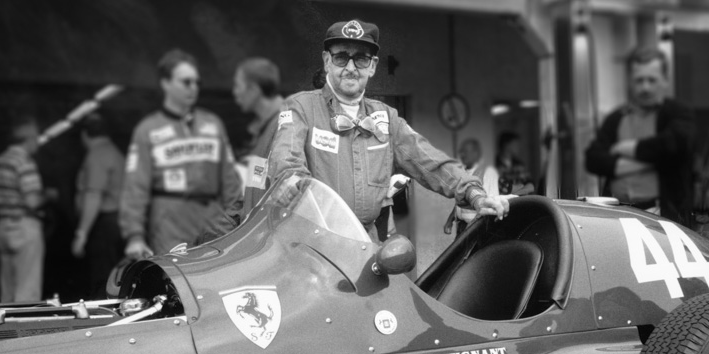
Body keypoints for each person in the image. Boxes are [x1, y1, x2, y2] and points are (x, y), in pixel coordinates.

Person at [268, 19, 508, 243]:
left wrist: (476, 194)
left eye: (361, 58)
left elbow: (432, 162)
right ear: (326, 61)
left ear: (372, 66)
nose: (351, 67)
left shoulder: (387, 118)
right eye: (341, 57)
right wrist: (307, 201)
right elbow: (286, 167)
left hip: (364, 246)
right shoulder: (299, 107)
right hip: (313, 245)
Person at [120, 48, 242, 259]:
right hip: (170, 220)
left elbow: (230, 180)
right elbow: (135, 187)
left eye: (197, 82)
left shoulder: (212, 124)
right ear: (166, 83)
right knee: (174, 284)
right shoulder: (148, 130)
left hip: (213, 220)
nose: (193, 88)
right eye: (186, 82)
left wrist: (238, 220)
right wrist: (134, 236)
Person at [585, 46, 695, 226]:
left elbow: (675, 145)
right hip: (617, 215)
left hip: (663, 214)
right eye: (639, 80)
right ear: (629, 81)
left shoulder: (678, 113)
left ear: (665, 80)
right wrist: (652, 161)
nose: (645, 87)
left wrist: (626, 149)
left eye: (652, 80)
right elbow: (593, 159)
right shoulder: (616, 117)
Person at [0, 115, 49, 302]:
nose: (38, 141)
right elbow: (32, 202)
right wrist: (49, 195)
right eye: (36, 136)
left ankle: (6, 330)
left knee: (8, 290)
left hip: (3, 227)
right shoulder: (25, 163)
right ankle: (24, 330)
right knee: (27, 292)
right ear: (28, 138)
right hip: (24, 227)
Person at [71, 113, 125, 298]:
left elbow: (94, 195)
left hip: (105, 226)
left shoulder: (97, 155)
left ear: (84, 135)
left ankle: (101, 314)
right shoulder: (114, 152)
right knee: (112, 275)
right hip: (117, 222)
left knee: (102, 276)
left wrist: (81, 233)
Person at [232, 57, 285, 216]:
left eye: (237, 85)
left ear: (254, 90)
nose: (234, 92)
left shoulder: (285, 124)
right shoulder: (261, 127)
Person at [445, 138, 501, 236]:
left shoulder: (488, 172)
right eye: (461, 152)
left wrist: (472, 228)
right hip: (463, 227)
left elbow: (491, 204)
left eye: (465, 151)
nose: (462, 155)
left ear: (476, 153)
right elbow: (461, 198)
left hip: (477, 229)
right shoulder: (463, 172)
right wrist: (450, 220)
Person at [496, 131, 534, 195]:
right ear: (507, 145)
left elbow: (531, 185)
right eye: (515, 144)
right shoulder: (495, 166)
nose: (518, 147)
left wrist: (517, 192)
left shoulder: (520, 165)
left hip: (522, 202)